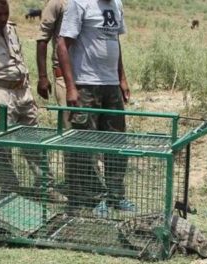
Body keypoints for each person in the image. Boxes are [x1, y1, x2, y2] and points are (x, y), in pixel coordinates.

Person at [0, 0, 67, 202]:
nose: (3, 19)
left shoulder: (10, 29)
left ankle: (46, 186)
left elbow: (19, 61)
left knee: (34, 141)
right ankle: (10, 192)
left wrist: (28, 92)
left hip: (22, 91)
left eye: (6, 13)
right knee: (2, 147)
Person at [57, 0, 134, 217]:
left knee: (117, 143)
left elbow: (115, 42)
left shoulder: (116, 4)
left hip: (110, 86)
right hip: (86, 85)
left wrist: (122, 78)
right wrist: (71, 87)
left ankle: (115, 195)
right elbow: (62, 44)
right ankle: (89, 198)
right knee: (84, 145)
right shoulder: (79, 3)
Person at [36, 0, 70, 128]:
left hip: (89, 77)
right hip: (64, 76)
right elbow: (42, 39)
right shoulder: (57, 3)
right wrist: (43, 77)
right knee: (70, 127)